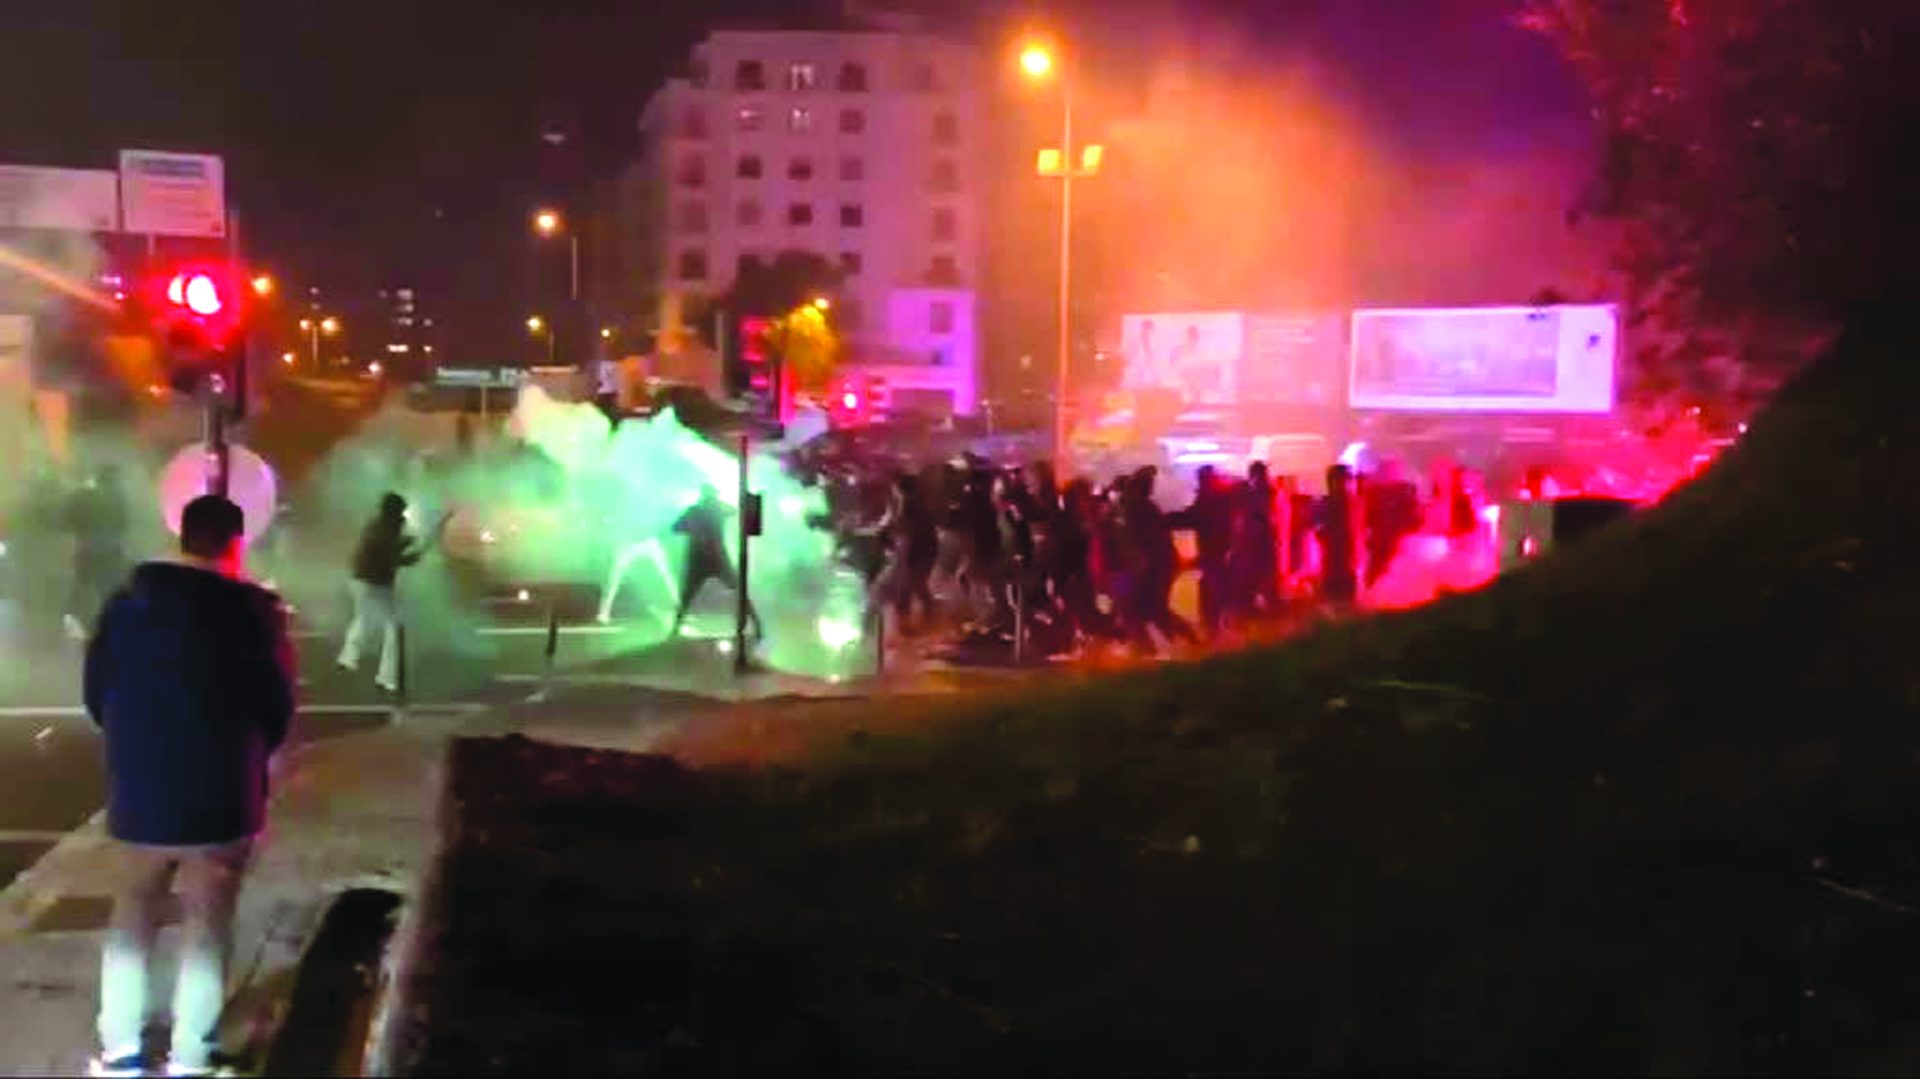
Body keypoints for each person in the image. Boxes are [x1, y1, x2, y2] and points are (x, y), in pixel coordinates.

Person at [83, 494, 296, 1078]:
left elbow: (97, 691)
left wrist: (133, 744)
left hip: (141, 790)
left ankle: (120, 1051)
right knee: (208, 922)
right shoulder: (254, 613)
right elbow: (275, 704)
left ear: (180, 534)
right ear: (236, 542)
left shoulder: (126, 604)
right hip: (222, 792)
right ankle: (190, 1058)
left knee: (132, 912)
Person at [338, 492, 419, 692]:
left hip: (363, 580)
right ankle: (387, 677)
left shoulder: (378, 526)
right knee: (393, 626)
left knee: (364, 620)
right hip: (374, 583)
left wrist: (405, 546)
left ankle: (348, 658)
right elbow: (390, 557)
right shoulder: (386, 528)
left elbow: (389, 550)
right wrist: (409, 556)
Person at [670, 485, 762, 638]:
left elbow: (675, 528)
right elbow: (733, 511)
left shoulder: (696, 511)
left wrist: (692, 526)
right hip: (713, 558)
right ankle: (757, 624)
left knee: (687, 596)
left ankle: (675, 629)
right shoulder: (709, 510)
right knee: (738, 590)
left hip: (703, 559)